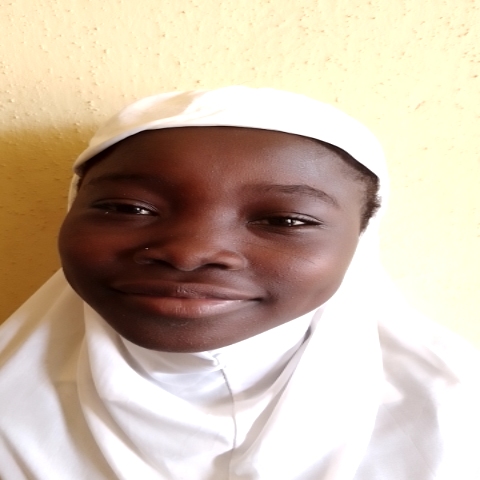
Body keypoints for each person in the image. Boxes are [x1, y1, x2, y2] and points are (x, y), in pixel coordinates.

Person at [0, 86, 479, 480]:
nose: (189, 253)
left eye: (286, 220)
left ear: (361, 240)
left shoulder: (455, 421)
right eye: (128, 208)